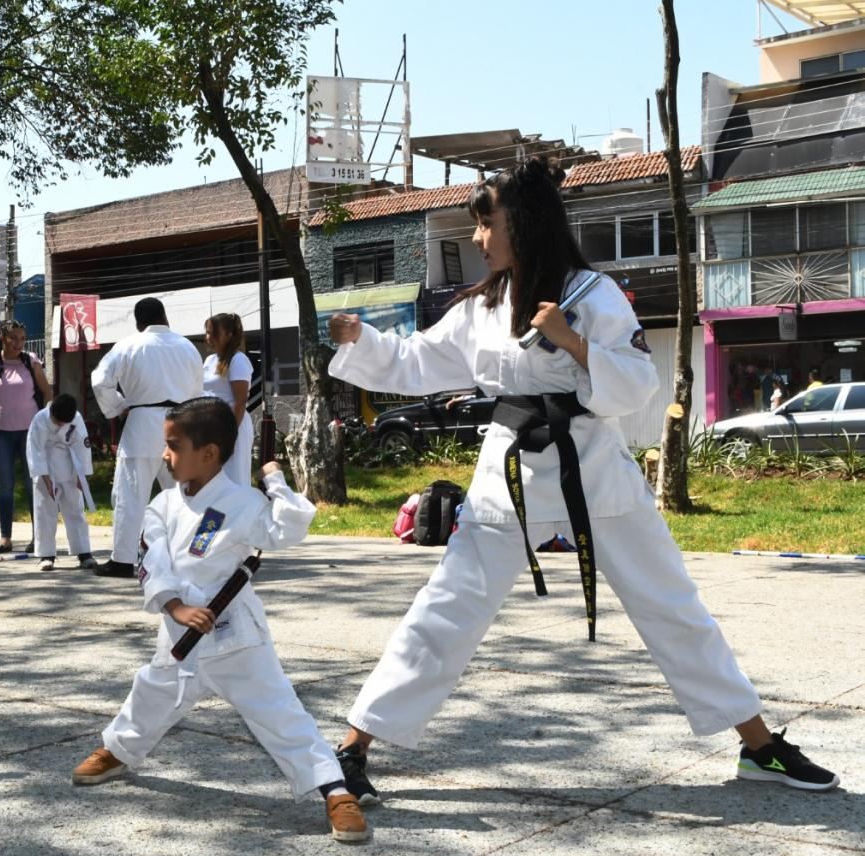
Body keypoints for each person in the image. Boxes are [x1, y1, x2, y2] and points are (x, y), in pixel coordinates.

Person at [325, 157, 839, 807]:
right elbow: (416, 361)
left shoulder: (590, 295)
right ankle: (352, 747)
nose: (479, 239)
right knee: (444, 612)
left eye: (488, 224)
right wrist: (360, 340)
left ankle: (760, 747)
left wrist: (571, 342)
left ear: (527, 223)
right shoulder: (482, 307)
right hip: (507, 475)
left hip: (593, 467)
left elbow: (633, 385)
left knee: (671, 606)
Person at [69, 397, 368, 843]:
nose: (165, 456)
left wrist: (275, 481)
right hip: (180, 634)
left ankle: (334, 790)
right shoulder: (164, 505)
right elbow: (153, 562)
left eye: (173, 446)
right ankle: (117, 750)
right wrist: (175, 608)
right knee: (150, 693)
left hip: (235, 638)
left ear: (208, 454)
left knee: (280, 714)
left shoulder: (243, 503)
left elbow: (288, 530)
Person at [90, 297, 204, 577]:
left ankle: (123, 559)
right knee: (184, 495)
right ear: (165, 316)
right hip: (181, 423)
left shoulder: (129, 344)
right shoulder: (187, 347)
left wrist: (117, 407)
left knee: (131, 494)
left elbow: (99, 380)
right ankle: (191, 556)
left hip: (142, 423)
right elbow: (198, 390)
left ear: (139, 323)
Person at [0, 320, 52, 553]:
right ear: (3, 338)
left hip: (30, 433)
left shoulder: (30, 361)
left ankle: (37, 537)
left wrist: (46, 425)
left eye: (22, 339)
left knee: (33, 484)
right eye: (13, 338)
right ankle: (5, 537)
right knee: (5, 485)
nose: (18, 343)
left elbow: (47, 392)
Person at [27, 393, 97, 571]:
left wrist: (83, 476)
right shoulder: (40, 420)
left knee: (75, 507)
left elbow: (82, 447)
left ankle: (84, 552)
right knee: (45, 510)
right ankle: (46, 554)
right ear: (52, 412)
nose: (61, 426)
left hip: (70, 465)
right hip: (46, 466)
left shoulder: (76, 418)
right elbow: (36, 452)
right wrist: (45, 479)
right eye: (59, 422)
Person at [202, 312, 256, 485]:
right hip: (211, 427)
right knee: (213, 481)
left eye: (212, 332)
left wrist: (229, 435)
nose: (208, 337)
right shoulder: (210, 360)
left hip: (232, 426)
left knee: (234, 479)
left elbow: (240, 401)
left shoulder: (238, 360)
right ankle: (216, 513)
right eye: (207, 332)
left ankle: (239, 512)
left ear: (229, 334)